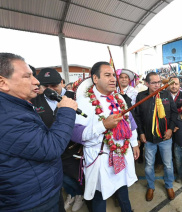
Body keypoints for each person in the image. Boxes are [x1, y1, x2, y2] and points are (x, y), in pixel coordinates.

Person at [0, 53, 78, 211]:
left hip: (40, 192)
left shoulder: (12, 107)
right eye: (27, 76)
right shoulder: (5, 117)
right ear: (2, 82)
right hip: (32, 202)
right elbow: (51, 148)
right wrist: (66, 112)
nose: (36, 81)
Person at [72, 61, 139, 212]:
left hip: (121, 153)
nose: (113, 79)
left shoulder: (120, 99)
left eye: (113, 75)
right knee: (99, 194)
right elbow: (76, 134)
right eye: (107, 75)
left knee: (122, 186)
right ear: (95, 79)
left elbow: (130, 122)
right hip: (99, 158)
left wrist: (134, 144)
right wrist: (103, 125)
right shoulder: (83, 103)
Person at [31, 68, 85, 212]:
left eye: (54, 85)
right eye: (45, 86)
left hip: (72, 148)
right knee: (61, 178)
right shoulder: (34, 100)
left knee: (76, 176)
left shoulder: (76, 96)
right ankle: (72, 194)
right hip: (48, 149)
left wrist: (83, 144)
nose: (50, 90)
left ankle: (80, 194)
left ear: (62, 82)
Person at [134, 72, 178, 201]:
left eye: (159, 82)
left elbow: (174, 113)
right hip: (148, 139)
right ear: (147, 83)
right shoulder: (141, 96)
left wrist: (170, 129)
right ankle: (151, 186)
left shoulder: (166, 94)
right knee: (148, 165)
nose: (157, 85)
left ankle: (169, 185)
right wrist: (140, 133)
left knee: (168, 164)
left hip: (165, 138)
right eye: (153, 82)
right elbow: (137, 117)